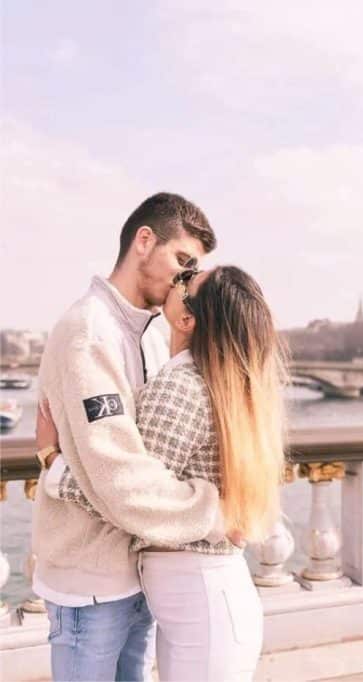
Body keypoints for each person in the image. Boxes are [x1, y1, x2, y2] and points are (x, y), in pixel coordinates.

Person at [38, 264, 287, 681]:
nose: (177, 276)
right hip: (210, 599)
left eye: (188, 278)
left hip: (200, 602)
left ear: (187, 319)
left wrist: (52, 460)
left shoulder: (180, 386)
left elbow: (128, 497)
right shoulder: (220, 384)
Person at [31, 192, 226, 681]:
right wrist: (217, 514)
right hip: (91, 581)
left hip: (138, 574)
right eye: (182, 262)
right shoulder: (88, 331)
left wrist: (54, 459)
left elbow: (152, 463)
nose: (186, 280)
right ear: (144, 241)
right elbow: (120, 479)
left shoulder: (158, 336)